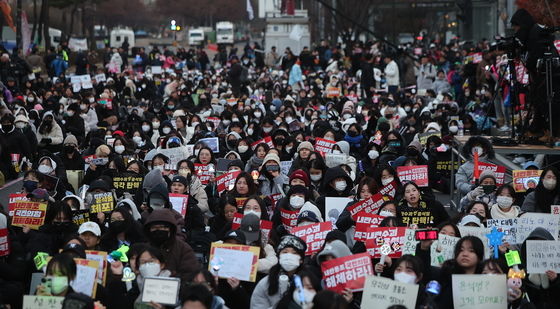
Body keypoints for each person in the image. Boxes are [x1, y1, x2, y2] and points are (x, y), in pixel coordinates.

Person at [250, 235, 307, 309]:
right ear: (279, 257)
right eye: (285, 252)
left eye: (294, 253)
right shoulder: (266, 283)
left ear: (301, 259)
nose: (289, 256)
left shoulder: (308, 282)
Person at [143, 209, 200, 281]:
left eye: (163, 227)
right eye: (154, 228)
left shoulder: (182, 248)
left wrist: (171, 278)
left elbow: (191, 272)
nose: (158, 230)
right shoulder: (145, 249)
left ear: (171, 229)